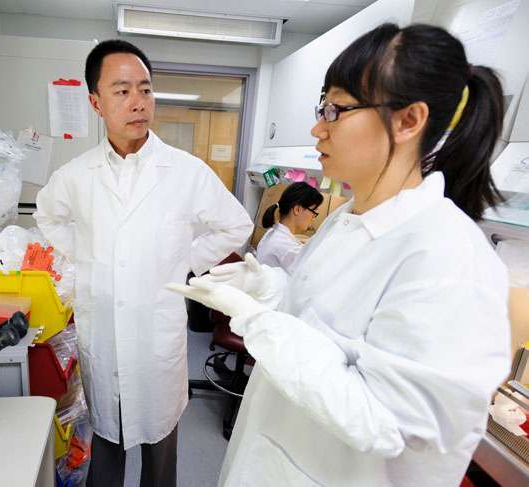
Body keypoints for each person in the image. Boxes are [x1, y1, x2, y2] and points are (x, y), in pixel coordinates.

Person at [168, 23, 510, 487]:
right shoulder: (346, 218)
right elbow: (320, 321)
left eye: (336, 109)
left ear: (409, 121)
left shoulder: (449, 258)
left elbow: (386, 421)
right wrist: (266, 288)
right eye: (321, 106)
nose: (317, 126)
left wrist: (256, 319)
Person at [34, 39, 253, 487]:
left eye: (146, 89)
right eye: (122, 91)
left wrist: (183, 262)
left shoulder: (184, 171)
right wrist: (86, 258)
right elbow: (46, 218)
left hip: (157, 341)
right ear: (96, 101)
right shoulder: (76, 176)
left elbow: (236, 225)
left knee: (160, 452)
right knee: (107, 446)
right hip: (105, 335)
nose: (138, 102)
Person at [256, 182, 324, 274]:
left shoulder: (273, 232)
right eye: (314, 212)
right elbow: (312, 275)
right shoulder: (287, 248)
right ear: (297, 210)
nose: (313, 217)